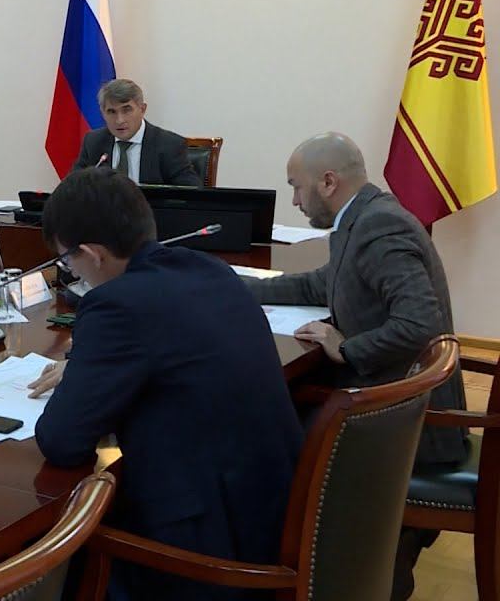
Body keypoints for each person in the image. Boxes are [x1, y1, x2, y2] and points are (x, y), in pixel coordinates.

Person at [27, 168, 301, 600]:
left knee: (52, 552)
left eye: (67, 262)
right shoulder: (210, 269)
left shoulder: (114, 305)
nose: (72, 273)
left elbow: (62, 441)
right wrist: (95, 369)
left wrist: (86, 375)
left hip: (204, 557)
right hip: (273, 521)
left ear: (93, 255)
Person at [241, 132, 468, 600]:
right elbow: (320, 284)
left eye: (296, 187)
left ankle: (312, 571)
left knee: (268, 436)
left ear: (328, 182)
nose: (295, 201)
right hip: (390, 399)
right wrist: (237, 286)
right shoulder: (360, 218)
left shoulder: (380, 227)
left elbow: (420, 323)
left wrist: (346, 349)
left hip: (411, 422)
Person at [70, 79, 201, 186]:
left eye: (126, 110)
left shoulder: (169, 145)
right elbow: (72, 188)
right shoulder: (93, 142)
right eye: (111, 112)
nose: (119, 120)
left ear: (142, 109)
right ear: (103, 113)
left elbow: (191, 196)